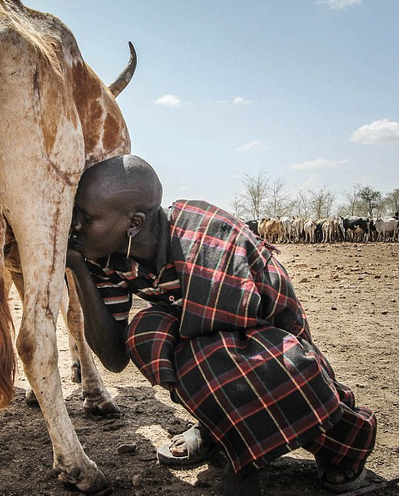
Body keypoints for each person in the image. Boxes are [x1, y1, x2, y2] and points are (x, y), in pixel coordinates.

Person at [66, 155, 376, 495]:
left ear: (134, 224)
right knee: (147, 332)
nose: (74, 226)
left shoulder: (207, 240)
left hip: (282, 359)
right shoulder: (107, 256)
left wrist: (242, 472)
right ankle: (219, 428)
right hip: (219, 351)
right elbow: (113, 359)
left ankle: (335, 445)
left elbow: (237, 359)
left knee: (210, 358)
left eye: (86, 217)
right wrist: (78, 270)